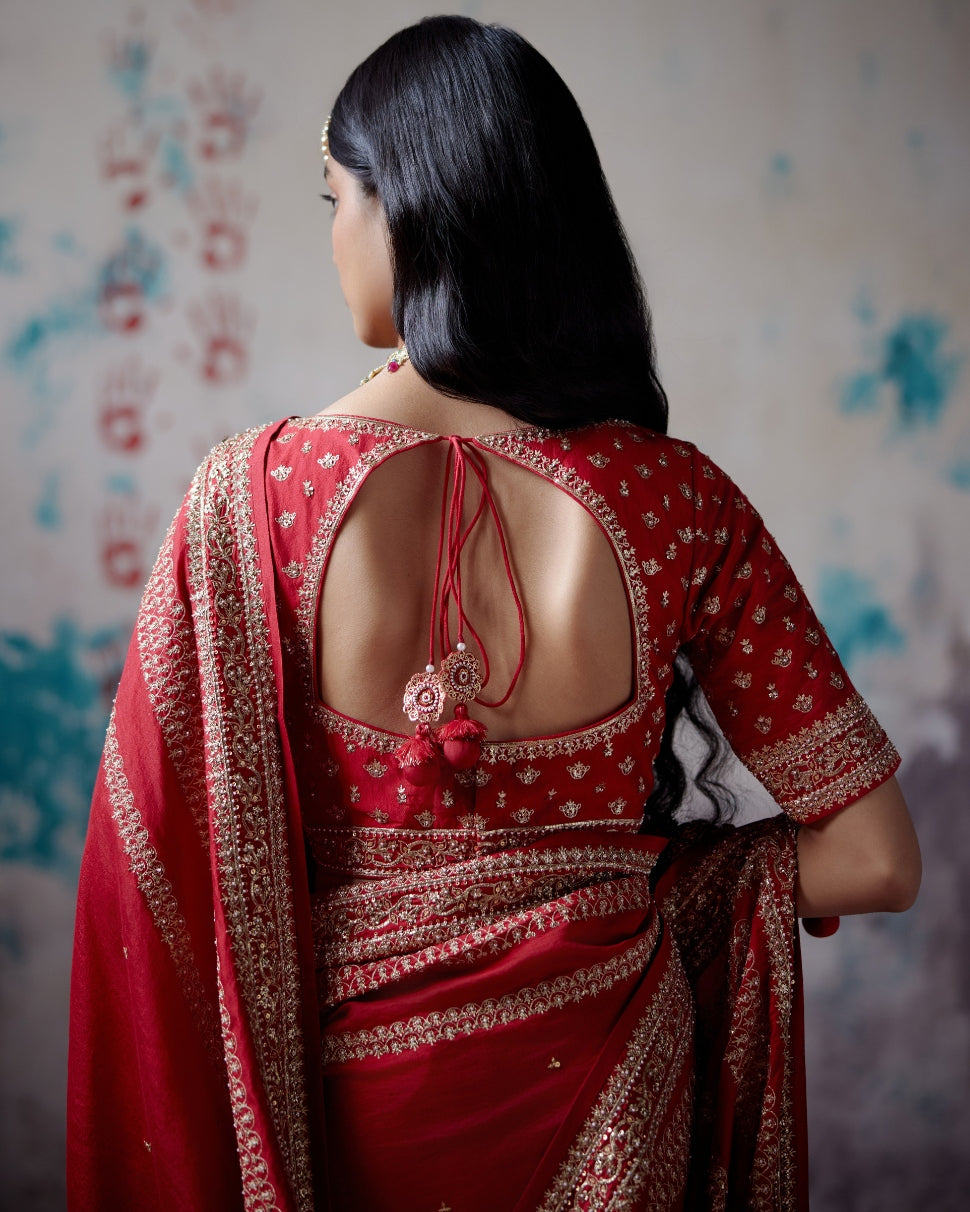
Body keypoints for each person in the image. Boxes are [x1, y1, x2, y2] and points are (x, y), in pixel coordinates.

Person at [68, 15, 921, 1211]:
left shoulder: (250, 501)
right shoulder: (680, 502)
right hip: (611, 1092)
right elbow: (876, 860)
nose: (332, 241)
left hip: (349, 1112)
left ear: (400, 208)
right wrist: (612, 893)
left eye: (333, 200)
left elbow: (159, 889)